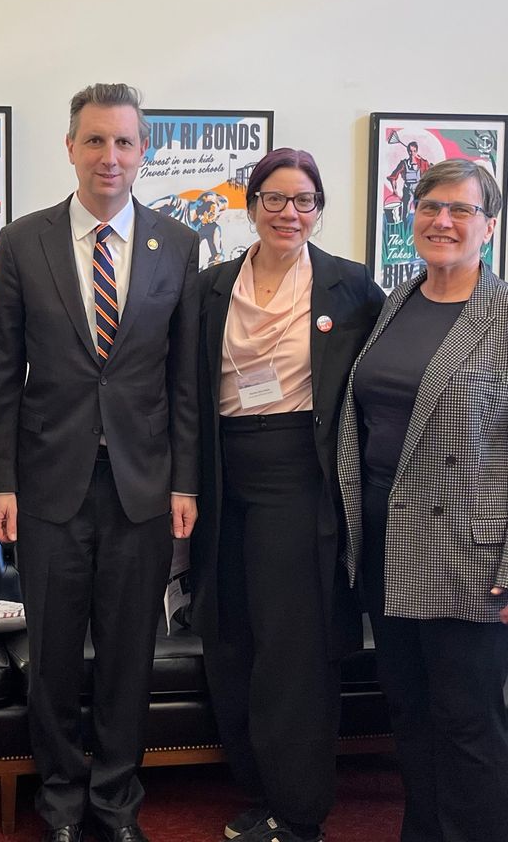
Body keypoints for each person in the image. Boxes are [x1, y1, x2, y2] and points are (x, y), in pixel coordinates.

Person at [0, 83, 200, 842]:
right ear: (70, 147)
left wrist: (186, 482)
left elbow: (184, 380)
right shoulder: (23, 240)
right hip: (48, 485)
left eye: (125, 142)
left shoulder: (178, 244)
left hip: (142, 486)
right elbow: (2, 373)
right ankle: (62, 801)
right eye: (96, 141)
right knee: (53, 656)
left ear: (144, 152)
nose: (111, 156)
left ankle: (115, 800)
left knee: (128, 656)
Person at [191, 148, 384, 842]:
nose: (289, 213)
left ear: (319, 209)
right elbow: (186, 391)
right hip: (221, 480)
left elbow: (377, 391)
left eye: (304, 200)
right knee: (231, 637)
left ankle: (301, 813)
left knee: (293, 650)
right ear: (252, 205)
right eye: (275, 199)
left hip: (299, 481)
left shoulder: (350, 288)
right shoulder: (211, 285)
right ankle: (259, 790)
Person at [338, 157, 508, 842]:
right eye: (431, 207)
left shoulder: (500, 317)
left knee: (467, 719)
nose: (442, 221)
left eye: (461, 210)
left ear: (488, 226)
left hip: (470, 551)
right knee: (408, 709)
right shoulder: (397, 302)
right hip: (385, 539)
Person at [387, 140, 431, 223]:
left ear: (417, 151)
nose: (412, 153)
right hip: (407, 190)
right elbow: (393, 177)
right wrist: (394, 190)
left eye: (414, 151)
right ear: (408, 152)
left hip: (419, 190)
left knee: (421, 211)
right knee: (405, 211)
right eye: (410, 151)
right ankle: (405, 229)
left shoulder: (423, 163)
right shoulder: (403, 163)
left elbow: (430, 176)